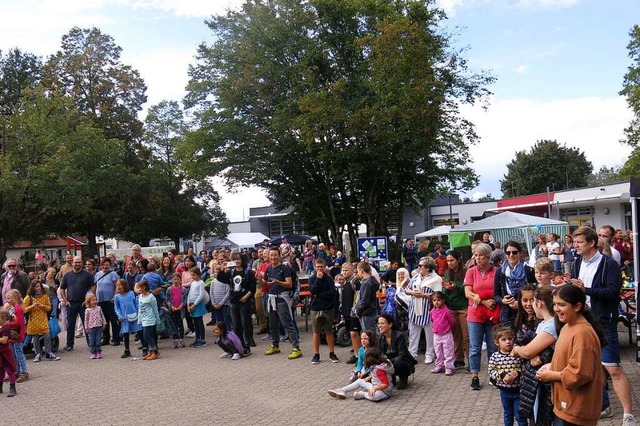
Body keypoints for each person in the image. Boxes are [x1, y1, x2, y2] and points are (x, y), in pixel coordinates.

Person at [567, 226, 635, 425]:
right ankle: (604, 406)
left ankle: (628, 414)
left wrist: (585, 289)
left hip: (603, 321)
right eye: (575, 242)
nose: (576, 246)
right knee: (594, 368)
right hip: (582, 320)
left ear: (591, 243)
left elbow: (614, 292)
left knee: (613, 368)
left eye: (579, 242)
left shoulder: (608, 264)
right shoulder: (576, 263)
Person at [536, 284, 606, 426]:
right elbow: (569, 358)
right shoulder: (567, 326)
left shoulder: (582, 334)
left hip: (578, 407)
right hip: (567, 404)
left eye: (562, 305)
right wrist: (553, 365)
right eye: (554, 304)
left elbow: (580, 373)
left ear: (577, 306)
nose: (556, 309)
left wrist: (551, 375)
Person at [511, 285, 557, 425]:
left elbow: (529, 351)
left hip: (547, 379)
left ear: (539, 303)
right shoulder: (544, 323)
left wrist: (519, 349)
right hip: (537, 378)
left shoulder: (550, 325)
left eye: (533, 301)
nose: (529, 305)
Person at [464, 243, 499, 391]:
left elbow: (498, 291)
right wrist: (483, 301)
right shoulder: (471, 272)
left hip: (492, 312)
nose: (478, 258)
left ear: (488, 257)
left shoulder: (497, 271)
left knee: (493, 346)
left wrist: (487, 300)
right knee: (475, 347)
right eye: (476, 255)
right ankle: (474, 376)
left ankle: (493, 375)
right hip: (475, 313)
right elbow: (468, 293)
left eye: (481, 255)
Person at [262, 248, 302, 360]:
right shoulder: (269, 268)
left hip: (282, 299)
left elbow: (289, 284)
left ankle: (296, 348)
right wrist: (259, 279)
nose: (273, 257)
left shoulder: (284, 268)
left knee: (287, 323)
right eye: (271, 255)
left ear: (279, 255)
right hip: (271, 299)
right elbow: (265, 284)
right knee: (272, 324)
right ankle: (275, 345)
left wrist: (278, 282)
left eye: (275, 255)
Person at [401, 256, 441, 364]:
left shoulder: (436, 279)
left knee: (429, 335)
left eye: (420, 266)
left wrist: (424, 294)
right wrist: (413, 293)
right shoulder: (416, 277)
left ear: (428, 267)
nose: (418, 268)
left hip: (428, 310)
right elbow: (406, 289)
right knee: (413, 334)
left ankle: (430, 354)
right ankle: (412, 354)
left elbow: (438, 295)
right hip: (415, 309)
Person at [488, 325, 526, 426]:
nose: (508, 342)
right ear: (497, 342)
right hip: (504, 391)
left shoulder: (518, 354)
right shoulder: (495, 357)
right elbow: (491, 371)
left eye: (510, 339)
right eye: (503, 340)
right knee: (508, 414)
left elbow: (525, 368)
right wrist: (503, 375)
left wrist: (518, 373)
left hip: (519, 390)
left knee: (520, 415)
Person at [218, 253, 255, 355]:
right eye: (234, 259)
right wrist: (222, 269)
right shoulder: (231, 272)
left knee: (245, 324)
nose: (237, 261)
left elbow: (252, 288)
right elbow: (221, 279)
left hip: (245, 302)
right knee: (236, 325)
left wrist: (246, 297)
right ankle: (239, 345)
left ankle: (247, 345)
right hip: (234, 302)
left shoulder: (248, 272)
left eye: (238, 259)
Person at [327, 347, 394, 402]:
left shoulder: (379, 369)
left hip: (384, 392)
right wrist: (368, 378)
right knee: (360, 381)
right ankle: (342, 390)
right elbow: (377, 375)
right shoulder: (379, 365)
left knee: (374, 396)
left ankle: (363, 394)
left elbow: (385, 384)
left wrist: (375, 388)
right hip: (375, 386)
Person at [494, 241, 536, 326]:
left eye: (514, 252)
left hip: (525, 313)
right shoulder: (500, 272)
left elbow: (535, 292)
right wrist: (503, 300)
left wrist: (520, 304)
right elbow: (496, 295)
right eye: (508, 253)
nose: (511, 255)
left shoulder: (528, 270)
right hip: (507, 314)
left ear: (520, 253)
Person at [60, 256, 95, 352]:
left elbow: (93, 286)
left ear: (82, 263)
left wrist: (89, 298)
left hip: (84, 303)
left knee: (87, 324)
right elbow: (62, 288)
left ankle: (91, 343)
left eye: (79, 262)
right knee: (70, 325)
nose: (77, 264)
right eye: (76, 262)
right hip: (71, 303)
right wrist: (65, 300)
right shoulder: (67, 275)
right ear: (73, 263)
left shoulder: (87, 275)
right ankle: (69, 344)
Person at [308, 258, 339, 364]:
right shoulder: (312, 278)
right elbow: (312, 291)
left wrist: (319, 296)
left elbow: (332, 293)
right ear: (315, 267)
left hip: (328, 308)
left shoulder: (329, 279)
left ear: (325, 267)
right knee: (316, 332)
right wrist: (318, 279)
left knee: (329, 331)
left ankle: (332, 353)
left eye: (321, 266)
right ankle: (316, 354)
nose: (320, 268)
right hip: (315, 308)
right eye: (318, 266)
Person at [442, 250, 469, 370]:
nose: (449, 263)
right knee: (455, 335)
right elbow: (445, 291)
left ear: (458, 259)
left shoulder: (466, 271)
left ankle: (471, 361)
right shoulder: (448, 273)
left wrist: (455, 287)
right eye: (447, 261)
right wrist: (445, 290)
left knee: (466, 336)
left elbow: (467, 289)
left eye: (452, 260)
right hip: (452, 308)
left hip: (464, 307)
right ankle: (459, 359)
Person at [23, 281, 60, 362]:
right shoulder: (28, 297)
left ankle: (48, 352)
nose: (38, 288)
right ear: (32, 287)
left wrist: (42, 306)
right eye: (36, 286)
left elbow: (49, 308)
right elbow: (24, 309)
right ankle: (37, 354)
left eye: (39, 286)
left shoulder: (45, 296)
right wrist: (32, 306)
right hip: (33, 320)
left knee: (47, 335)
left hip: (43, 319)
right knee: (35, 337)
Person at [377, 313, 415, 390]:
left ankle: (403, 378)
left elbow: (402, 355)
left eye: (382, 323)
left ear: (390, 324)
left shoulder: (399, 336)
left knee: (400, 362)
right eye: (378, 323)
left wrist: (387, 361)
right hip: (389, 362)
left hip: (402, 363)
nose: (379, 326)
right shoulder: (380, 337)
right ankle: (391, 377)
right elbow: (379, 354)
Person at [94, 257, 121, 346]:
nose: (105, 266)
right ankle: (105, 338)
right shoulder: (97, 274)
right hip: (100, 300)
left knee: (113, 320)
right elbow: (95, 287)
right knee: (104, 320)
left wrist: (114, 297)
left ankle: (116, 338)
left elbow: (117, 286)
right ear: (101, 265)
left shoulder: (113, 274)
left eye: (107, 265)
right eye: (103, 265)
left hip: (110, 301)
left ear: (110, 265)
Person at [429, 291, 456, 375]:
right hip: (436, 335)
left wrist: (447, 328)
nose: (436, 302)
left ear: (443, 300)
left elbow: (452, 321)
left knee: (448, 351)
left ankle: (449, 367)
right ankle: (440, 366)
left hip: (446, 334)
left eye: (438, 300)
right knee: (438, 351)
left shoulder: (446, 311)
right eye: (434, 300)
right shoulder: (432, 311)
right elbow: (432, 320)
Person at [3, 289, 27, 383]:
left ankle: (23, 372)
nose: (7, 300)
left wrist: (7, 324)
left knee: (19, 354)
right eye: (6, 298)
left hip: (17, 336)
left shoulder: (18, 309)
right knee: (13, 355)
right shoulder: (11, 308)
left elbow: (19, 323)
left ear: (15, 297)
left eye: (9, 298)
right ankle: (16, 371)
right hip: (11, 336)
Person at [114, 279, 142, 358]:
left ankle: (145, 347)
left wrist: (138, 312)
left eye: (120, 285)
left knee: (139, 330)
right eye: (117, 286)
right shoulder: (117, 297)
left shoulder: (131, 293)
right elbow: (117, 307)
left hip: (134, 316)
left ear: (125, 286)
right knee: (126, 333)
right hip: (124, 318)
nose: (119, 287)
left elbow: (135, 303)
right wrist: (119, 316)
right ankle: (127, 350)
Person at [340, 263, 361, 364]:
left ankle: (359, 356)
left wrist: (355, 311)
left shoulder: (356, 282)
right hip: (346, 313)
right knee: (352, 334)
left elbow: (358, 298)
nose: (344, 272)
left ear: (352, 270)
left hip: (354, 313)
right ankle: (356, 354)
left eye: (346, 270)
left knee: (355, 333)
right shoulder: (345, 283)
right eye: (343, 270)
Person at [354, 261, 380, 333]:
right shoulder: (372, 281)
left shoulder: (366, 283)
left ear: (362, 271)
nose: (357, 273)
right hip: (371, 311)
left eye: (358, 271)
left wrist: (358, 311)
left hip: (366, 313)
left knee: (368, 334)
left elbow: (364, 300)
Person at [137, 280, 160, 360]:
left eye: (139, 288)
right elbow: (139, 309)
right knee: (147, 336)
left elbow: (155, 309)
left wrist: (158, 319)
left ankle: (155, 351)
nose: (138, 289)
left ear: (144, 287)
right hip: (143, 319)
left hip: (150, 319)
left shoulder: (151, 297)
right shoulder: (140, 296)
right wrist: (139, 319)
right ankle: (150, 352)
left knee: (147, 336)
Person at [186, 267, 207, 348]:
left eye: (194, 275)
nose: (192, 277)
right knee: (195, 322)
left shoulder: (201, 282)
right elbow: (190, 294)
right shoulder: (193, 283)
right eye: (191, 275)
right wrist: (188, 304)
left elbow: (201, 295)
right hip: (191, 304)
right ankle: (197, 338)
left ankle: (202, 339)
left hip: (197, 304)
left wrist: (194, 305)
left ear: (198, 274)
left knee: (199, 322)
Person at [0, 307, 18, 396]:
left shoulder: (6, 328)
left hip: (5, 353)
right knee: (0, 371)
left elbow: (4, 340)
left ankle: (12, 387)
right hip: (0, 353)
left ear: (3, 318)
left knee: (9, 370)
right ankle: (0, 387)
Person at [83, 293, 107, 359]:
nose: (95, 301)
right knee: (92, 340)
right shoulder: (87, 310)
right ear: (89, 302)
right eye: (93, 300)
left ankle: (98, 352)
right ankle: (93, 352)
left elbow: (102, 315)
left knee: (98, 340)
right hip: (91, 327)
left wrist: (104, 323)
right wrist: (86, 328)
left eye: (95, 300)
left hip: (99, 326)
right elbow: (86, 320)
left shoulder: (99, 308)